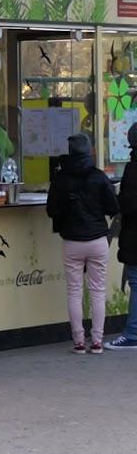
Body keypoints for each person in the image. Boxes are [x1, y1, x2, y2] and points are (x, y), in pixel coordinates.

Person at [47, 133, 119, 354]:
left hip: (72, 242)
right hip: (98, 240)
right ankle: (97, 342)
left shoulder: (61, 179)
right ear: (89, 151)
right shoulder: (98, 177)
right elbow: (112, 208)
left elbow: (51, 210)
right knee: (97, 292)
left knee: (74, 292)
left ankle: (79, 342)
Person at [106, 121, 137, 351]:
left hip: (135, 235)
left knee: (136, 282)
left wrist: (114, 200)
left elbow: (128, 203)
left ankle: (133, 334)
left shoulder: (134, 167)